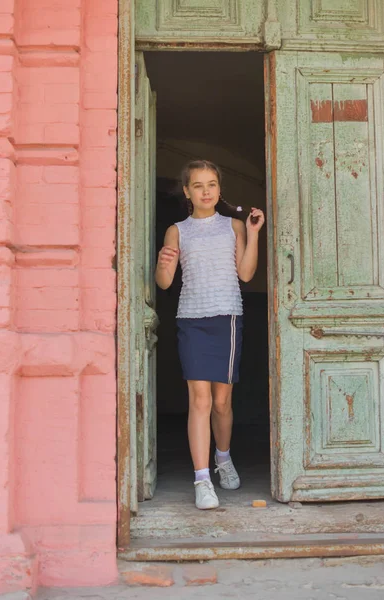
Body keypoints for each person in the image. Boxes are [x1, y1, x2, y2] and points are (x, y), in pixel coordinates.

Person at [155, 159, 265, 510]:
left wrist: (254, 233)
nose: (206, 191)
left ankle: (223, 458)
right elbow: (165, 282)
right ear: (187, 192)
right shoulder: (177, 230)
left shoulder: (233, 226)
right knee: (200, 401)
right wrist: (162, 263)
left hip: (227, 318)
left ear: (219, 189)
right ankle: (202, 479)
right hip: (192, 319)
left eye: (212, 184)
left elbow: (246, 275)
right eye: (199, 185)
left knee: (222, 402)